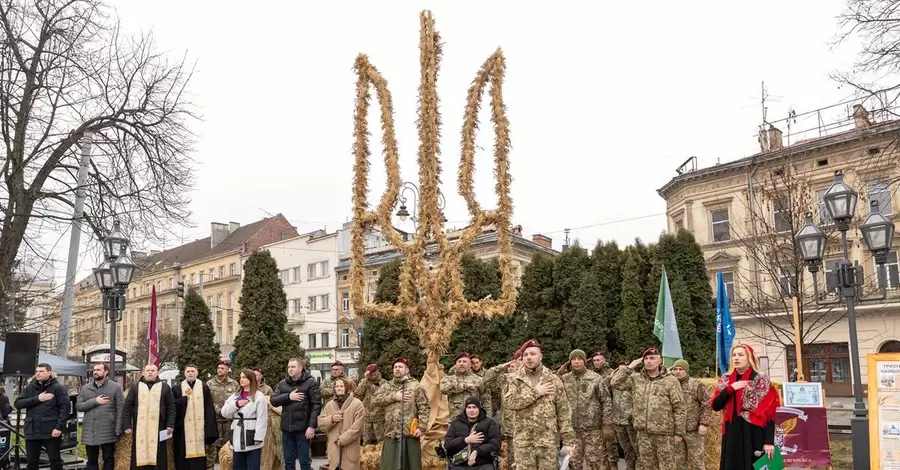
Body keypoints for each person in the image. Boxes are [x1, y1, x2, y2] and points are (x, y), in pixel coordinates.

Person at [505, 340, 575, 470]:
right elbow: (510, 403)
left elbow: (563, 412)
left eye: (532, 354)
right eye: (525, 355)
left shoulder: (553, 380)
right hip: (524, 441)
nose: (529, 357)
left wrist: (568, 442)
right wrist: (536, 392)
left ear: (540, 356)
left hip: (547, 441)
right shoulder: (514, 379)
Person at [611, 348, 686, 470]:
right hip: (643, 434)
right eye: (646, 358)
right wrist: (630, 367)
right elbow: (615, 383)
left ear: (660, 360)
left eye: (652, 358)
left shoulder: (670, 380)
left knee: (667, 467)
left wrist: (679, 433)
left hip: (664, 434)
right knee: (647, 466)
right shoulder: (636, 379)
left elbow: (680, 407)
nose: (648, 361)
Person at [711, 344, 780, 469]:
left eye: (741, 355)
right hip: (732, 433)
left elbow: (769, 414)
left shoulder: (760, 379)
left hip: (754, 433)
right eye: (734, 355)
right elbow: (716, 405)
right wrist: (731, 388)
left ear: (749, 358)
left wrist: (768, 441)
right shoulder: (726, 379)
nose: (736, 358)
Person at [371, 357, 431, 470]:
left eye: (400, 367)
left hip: (410, 433)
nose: (397, 369)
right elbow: (374, 401)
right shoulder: (387, 386)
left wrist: (422, 427)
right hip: (391, 432)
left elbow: (424, 407)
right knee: (390, 465)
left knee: (411, 465)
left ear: (407, 370)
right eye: (395, 367)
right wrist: (394, 396)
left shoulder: (416, 386)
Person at [560, 349, 614, 470]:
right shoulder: (565, 379)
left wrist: (607, 425)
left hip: (593, 431)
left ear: (584, 361)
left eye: (579, 359)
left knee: (594, 463)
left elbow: (606, 401)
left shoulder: (595, 378)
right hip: (572, 431)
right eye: (573, 359)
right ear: (570, 362)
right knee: (574, 464)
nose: (576, 362)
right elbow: (560, 404)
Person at [14, 363, 69, 470]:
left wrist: (59, 427)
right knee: (31, 461)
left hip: (50, 430)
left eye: (41, 371)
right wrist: (38, 398)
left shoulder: (58, 388)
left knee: (55, 460)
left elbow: (65, 408)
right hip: (32, 430)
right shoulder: (30, 387)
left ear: (49, 372)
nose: (38, 373)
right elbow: (18, 404)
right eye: (37, 371)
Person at [122, 364, 176, 470]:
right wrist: (127, 425)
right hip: (139, 427)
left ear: (157, 372)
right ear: (143, 372)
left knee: (158, 454)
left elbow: (171, 407)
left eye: (153, 370)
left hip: (159, 425)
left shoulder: (164, 387)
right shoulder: (135, 387)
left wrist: (170, 424)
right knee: (139, 452)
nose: (150, 372)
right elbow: (127, 407)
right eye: (148, 370)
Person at [271, 358, 322, 470]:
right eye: (289, 367)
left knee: (304, 462)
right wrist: (289, 397)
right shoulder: (282, 383)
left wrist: (312, 426)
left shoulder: (310, 383)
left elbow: (316, 406)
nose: (290, 369)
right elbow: (273, 401)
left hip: (303, 430)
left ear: (300, 368)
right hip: (287, 430)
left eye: (293, 367)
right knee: (289, 462)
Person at [77, 363, 125, 470]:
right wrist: (95, 401)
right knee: (91, 461)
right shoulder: (85, 388)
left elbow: (120, 409)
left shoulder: (115, 387)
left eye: (98, 369)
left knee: (108, 459)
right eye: (94, 370)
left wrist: (118, 429)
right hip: (90, 431)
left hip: (108, 430)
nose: (95, 372)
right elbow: (79, 406)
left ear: (106, 371)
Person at [172, 365, 219, 470]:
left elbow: (209, 408)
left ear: (197, 373)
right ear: (184, 373)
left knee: (200, 457)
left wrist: (209, 429)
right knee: (182, 456)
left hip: (200, 430)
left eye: (193, 371)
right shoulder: (177, 388)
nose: (190, 373)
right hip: (183, 431)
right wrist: (182, 401)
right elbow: (173, 407)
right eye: (188, 371)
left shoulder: (203, 387)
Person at [222, 369, 268, 470]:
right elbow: (224, 412)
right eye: (240, 377)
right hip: (237, 434)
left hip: (251, 434)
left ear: (251, 379)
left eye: (244, 377)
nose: (241, 380)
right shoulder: (235, 396)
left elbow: (262, 418)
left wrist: (259, 437)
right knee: (238, 466)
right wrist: (236, 404)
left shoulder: (259, 397)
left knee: (253, 466)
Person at [671, 359, 711, 470]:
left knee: (698, 462)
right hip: (677, 432)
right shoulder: (671, 385)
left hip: (693, 432)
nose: (678, 372)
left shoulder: (696, 384)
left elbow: (707, 404)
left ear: (686, 370)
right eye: (675, 369)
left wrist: (704, 423)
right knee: (678, 463)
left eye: (681, 369)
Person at [319, 377, 365, 470]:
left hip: (350, 450)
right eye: (337, 386)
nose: (339, 388)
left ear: (347, 388)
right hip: (334, 451)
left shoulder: (357, 404)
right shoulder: (329, 405)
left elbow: (358, 427)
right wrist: (331, 419)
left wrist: (342, 439)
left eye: (342, 386)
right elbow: (321, 424)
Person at [443, 397, 501, 470]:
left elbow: (496, 444)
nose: (471, 410)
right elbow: (448, 445)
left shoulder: (489, 423)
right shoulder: (455, 423)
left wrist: (477, 451)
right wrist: (465, 440)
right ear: (465, 409)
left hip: (483, 464)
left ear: (479, 409)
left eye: (474, 407)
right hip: (460, 465)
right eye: (469, 407)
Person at [611, 362, 638, 470]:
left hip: (630, 420)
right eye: (620, 367)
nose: (621, 369)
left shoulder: (635, 379)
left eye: (624, 367)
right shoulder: (615, 379)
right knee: (626, 449)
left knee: (638, 448)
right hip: (618, 420)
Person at [354, 363, 386, 444]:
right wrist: (365, 380)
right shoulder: (364, 382)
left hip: (379, 416)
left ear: (377, 371)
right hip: (366, 416)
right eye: (370, 374)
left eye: (373, 373)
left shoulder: (383, 383)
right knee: (366, 440)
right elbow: (357, 395)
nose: (372, 375)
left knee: (382, 440)